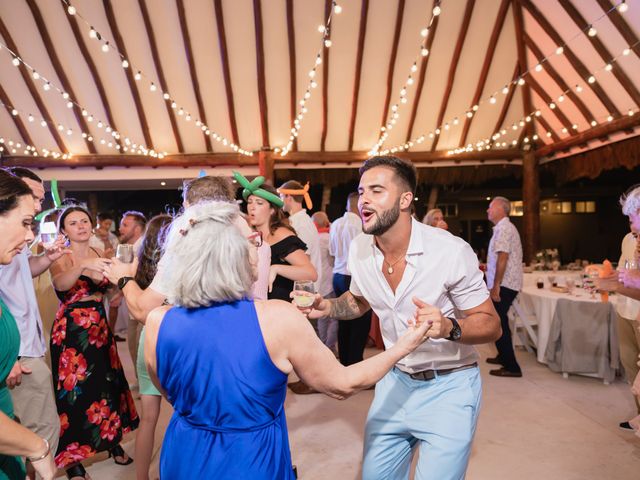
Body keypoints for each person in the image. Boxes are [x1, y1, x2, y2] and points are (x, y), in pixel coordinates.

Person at [141, 200, 433, 479]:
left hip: (184, 452)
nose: (261, 248)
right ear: (232, 255)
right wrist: (405, 344)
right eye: (255, 241)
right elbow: (343, 384)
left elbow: (167, 389)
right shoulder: (277, 318)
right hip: (250, 460)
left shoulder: (157, 320)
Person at [303, 156, 501, 479]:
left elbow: (492, 324)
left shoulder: (449, 251)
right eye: (362, 190)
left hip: (449, 387)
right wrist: (326, 307)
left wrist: (449, 327)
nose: (364, 199)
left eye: (377, 191)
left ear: (405, 199)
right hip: (394, 383)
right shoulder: (360, 249)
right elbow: (359, 301)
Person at [103, 175, 272, 322]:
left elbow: (143, 310)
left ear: (187, 206)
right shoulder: (255, 239)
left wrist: (124, 277)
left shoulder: (186, 244)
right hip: (246, 331)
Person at [50, 206, 139, 480]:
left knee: (107, 387)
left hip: (100, 327)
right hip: (72, 330)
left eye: (85, 221)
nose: (81, 226)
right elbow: (62, 284)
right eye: (73, 223)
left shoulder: (100, 253)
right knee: (74, 395)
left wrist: (117, 289)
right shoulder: (60, 256)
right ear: (64, 230)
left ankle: (112, 442)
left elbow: (108, 287)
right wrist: (82, 266)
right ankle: (73, 462)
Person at [0, 168, 65, 480]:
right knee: (42, 427)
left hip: (28, 343)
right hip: (21, 352)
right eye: (26, 221)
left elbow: (23, 271)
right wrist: (36, 447)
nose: (30, 234)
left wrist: (47, 259)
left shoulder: (10, 249)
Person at [596, 185, 640, 430]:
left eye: (632, 217)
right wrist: (613, 281)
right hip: (626, 308)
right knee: (630, 364)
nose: (631, 225)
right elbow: (626, 272)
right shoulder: (628, 240)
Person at [131, 215, 172, 480]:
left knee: (148, 420)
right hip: (174, 337)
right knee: (186, 417)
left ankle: (141, 477)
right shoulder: (177, 266)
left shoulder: (140, 266)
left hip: (148, 337)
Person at [245, 182, 317, 301]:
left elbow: (311, 273)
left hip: (281, 308)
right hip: (257, 307)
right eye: (250, 202)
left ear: (272, 210)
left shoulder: (282, 235)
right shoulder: (251, 235)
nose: (252, 207)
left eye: (259, 203)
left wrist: (276, 268)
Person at [329, 192, 372, 367]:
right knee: (360, 322)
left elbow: (331, 251)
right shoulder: (360, 225)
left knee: (343, 321)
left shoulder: (336, 223)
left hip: (337, 274)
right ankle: (355, 362)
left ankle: (345, 360)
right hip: (353, 276)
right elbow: (364, 254)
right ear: (357, 205)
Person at [485, 196, 524, 377]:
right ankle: (503, 356)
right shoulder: (503, 228)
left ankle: (512, 367)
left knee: (498, 322)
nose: (488, 210)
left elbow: (503, 257)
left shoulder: (505, 228)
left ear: (502, 209)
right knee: (499, 320)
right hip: (506, 282)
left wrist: (496, 285)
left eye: (491, 207)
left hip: (505, 283)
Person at [278, 180, 323, 293]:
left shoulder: (301, 224)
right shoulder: (298, 220)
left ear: (288, 197)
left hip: (305, 288)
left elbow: (304, 260)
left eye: (281, 196)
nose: (280, 201)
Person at [312, 211, 337, 354]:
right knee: (332, 318)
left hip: (318, 280)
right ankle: (329, 346)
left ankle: (321, 347)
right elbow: (334, 258)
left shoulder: (314, 238)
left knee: (320, 316)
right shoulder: (328, 238)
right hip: (329, 279)